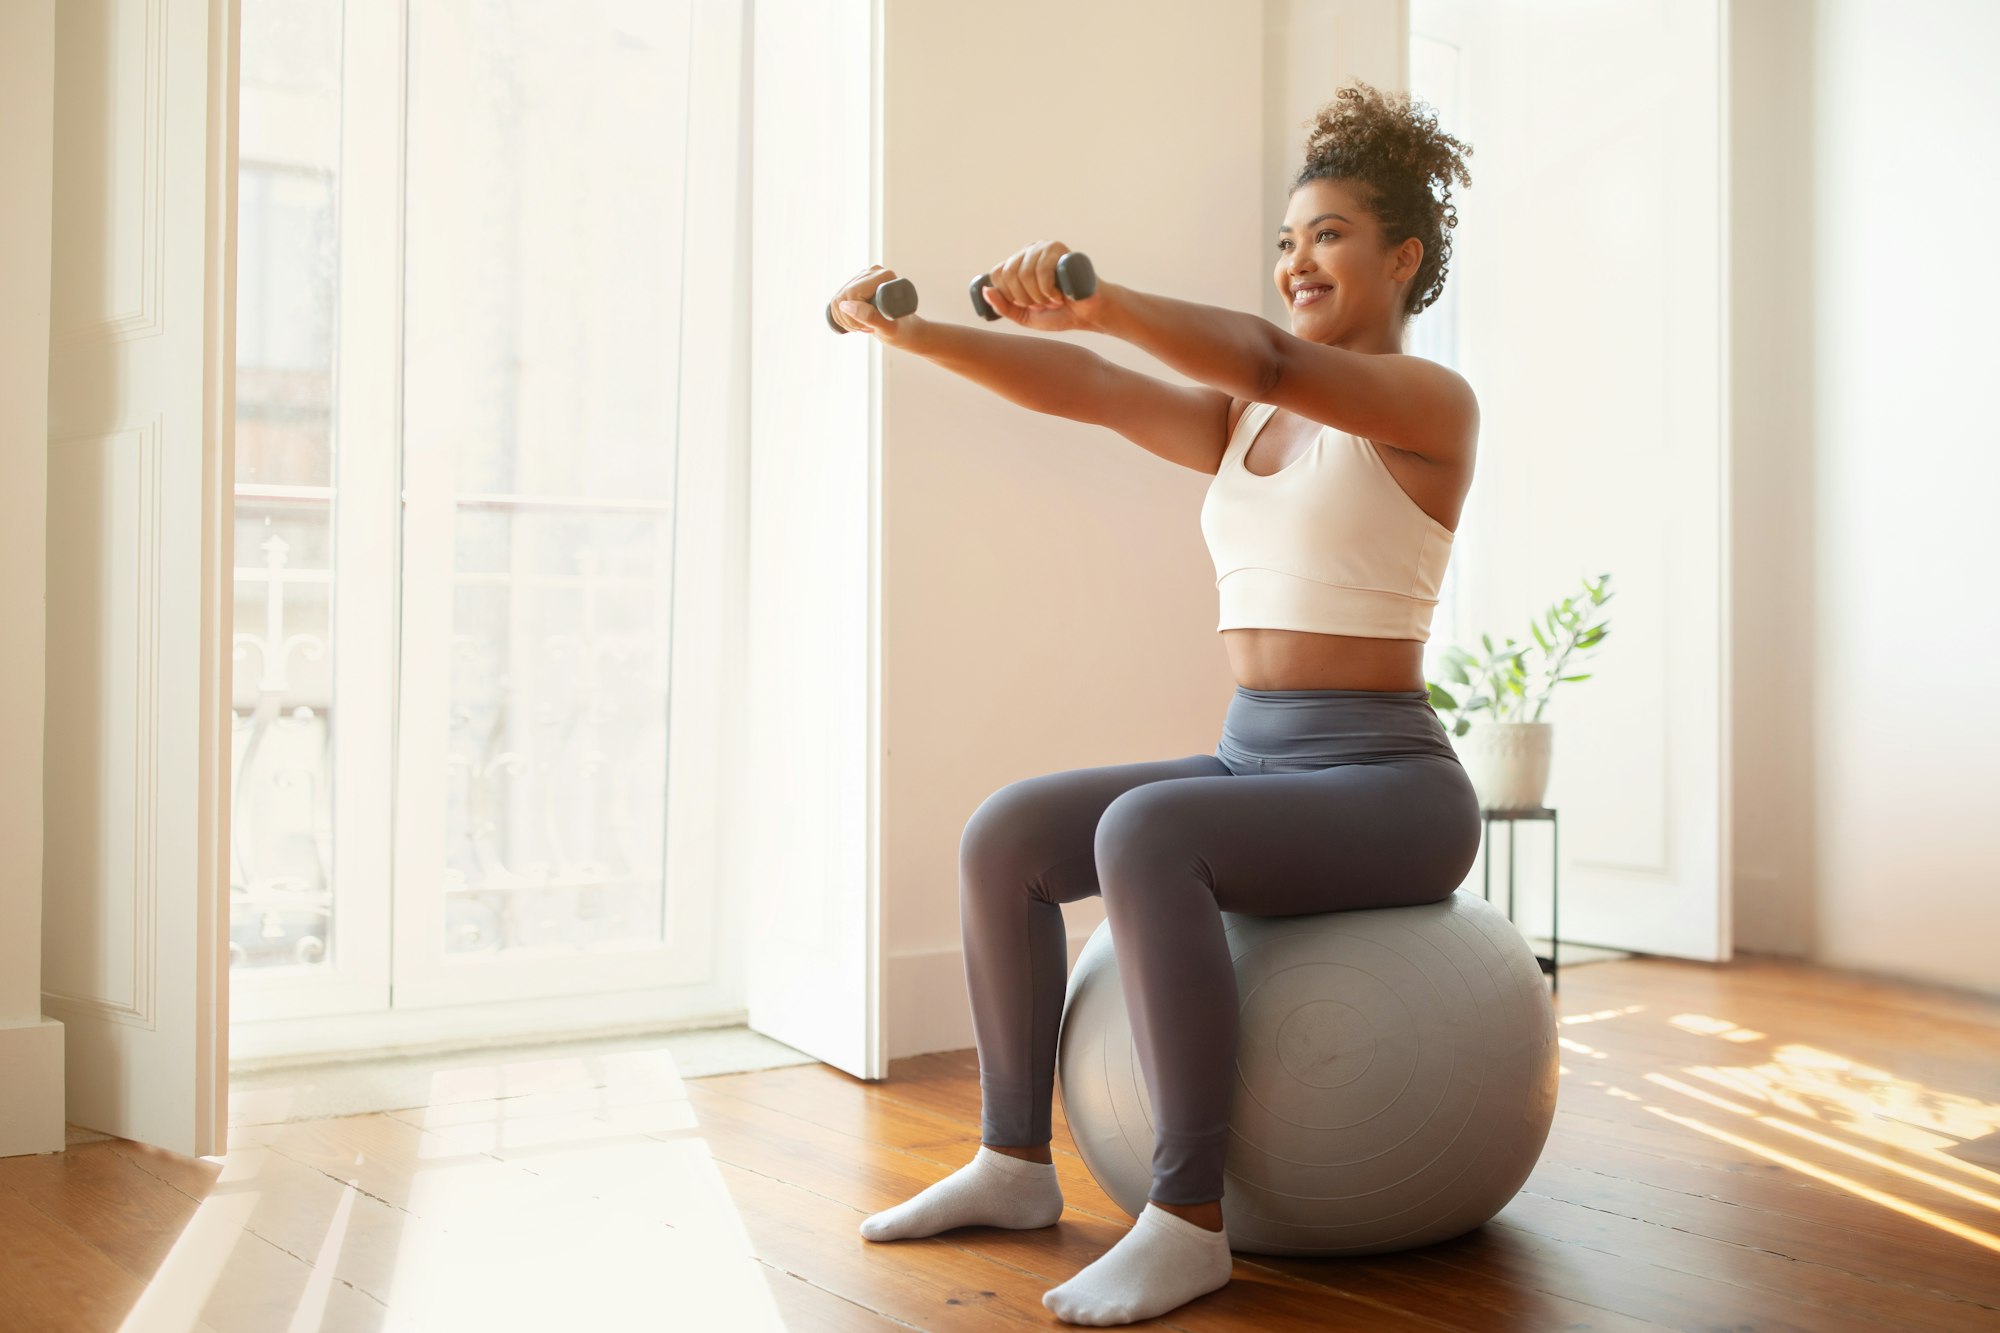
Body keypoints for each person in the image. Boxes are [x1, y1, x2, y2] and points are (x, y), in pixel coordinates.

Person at [828, 81, 1480, 1327]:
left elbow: (1269, 351)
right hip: (1256, 760)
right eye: (1286, 241)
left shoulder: (1427, 407)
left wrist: (1106, 298)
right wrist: (913, 337)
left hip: (1388, 784)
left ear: (1401, 256)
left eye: (1329, 235)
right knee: (1009, 832)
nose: (1298, 261)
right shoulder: (1248, 419)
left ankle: (1184, 1219)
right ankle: (1012, 1164)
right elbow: (1083, 388)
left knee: (1143, 831)